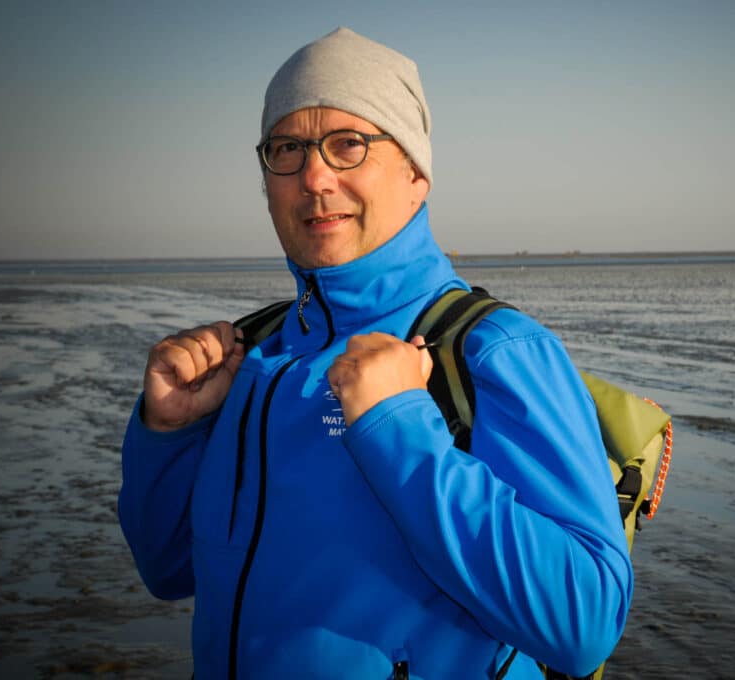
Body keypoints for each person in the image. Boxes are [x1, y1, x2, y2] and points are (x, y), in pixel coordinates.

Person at [118, 27, 632, 679]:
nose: (314, 177)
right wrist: (168, 434)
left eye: (348, 144)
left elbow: (584, 626)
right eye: (287, 148)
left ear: (415, 173)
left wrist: (399, 430)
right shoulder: (253, 357)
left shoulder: (491, 351)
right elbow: (167, 571)